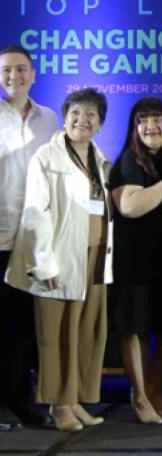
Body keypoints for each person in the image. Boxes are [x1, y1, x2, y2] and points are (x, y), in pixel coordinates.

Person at [5, 87, 113, 432]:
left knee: (84, 333)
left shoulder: (100, 159)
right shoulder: (46, 158)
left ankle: (74, 399)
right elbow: (36, 213)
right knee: (55, 336)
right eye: (76, 113)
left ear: (100, 123)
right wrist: (45, 264)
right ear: (65, 118)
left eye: (91, 114)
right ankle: (57, 404)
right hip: (58, 258)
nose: (83, 120)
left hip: (93, 258)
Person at [110, 97, 162, 424]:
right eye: (143, 121)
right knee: (137, 328)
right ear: (134, 127)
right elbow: (131, 206)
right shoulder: (129, 160)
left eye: (158, 119)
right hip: (135, 261)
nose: (151, 126)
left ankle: (156, 391)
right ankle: (140, 396)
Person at [0, 44, 58, 431]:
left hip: (32, 240)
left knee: (21, 330)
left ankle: (21, 403)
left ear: (34, 74)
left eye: (21, 69)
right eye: (5, 70)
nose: (13, 76)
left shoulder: (50, 119)